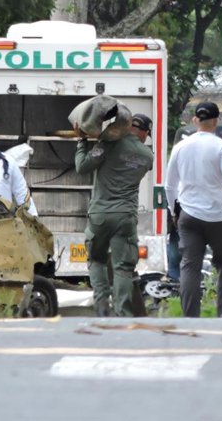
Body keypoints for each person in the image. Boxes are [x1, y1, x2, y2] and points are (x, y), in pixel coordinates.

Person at [165, 102, 222, 317]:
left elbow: (169, 186)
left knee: (190, 266)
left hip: (187, 215)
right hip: (217, 217)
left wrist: (173, 211)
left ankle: (190, 317)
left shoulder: (180, 147)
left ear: (196, 120)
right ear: (217, 121)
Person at [74, 115, 153, 317]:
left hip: (100, 214)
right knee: (123, 268)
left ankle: (101, 306)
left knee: (97, 260)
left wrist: (82, 142)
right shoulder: (147, 155)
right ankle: (123, 313)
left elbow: (82, 166)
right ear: (143, 132)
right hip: (125, 216)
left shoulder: (108, 144)